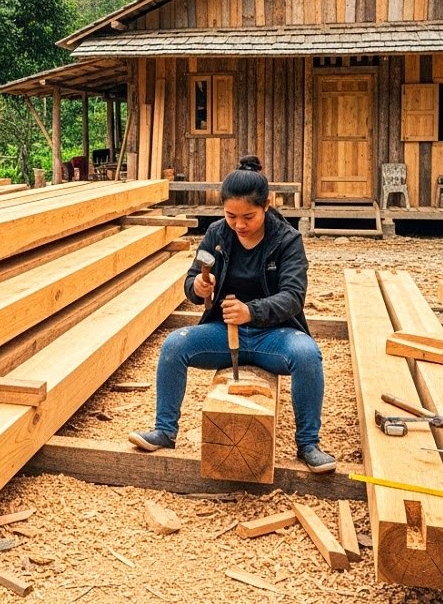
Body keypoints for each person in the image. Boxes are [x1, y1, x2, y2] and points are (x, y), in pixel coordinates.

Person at [128, 155, 336, 473]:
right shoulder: (216, 234)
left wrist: (250, 311)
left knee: (308, 355)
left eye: (248, 217)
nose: (239, 224)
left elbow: (293, 298)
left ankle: (309, 444)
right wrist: (198, 287)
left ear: (267, 205)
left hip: (275, 335)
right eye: (231, 215)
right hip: (223, 333)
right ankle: (164, 432)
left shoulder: (288, 241)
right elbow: (192, 279)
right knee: (174, 345)